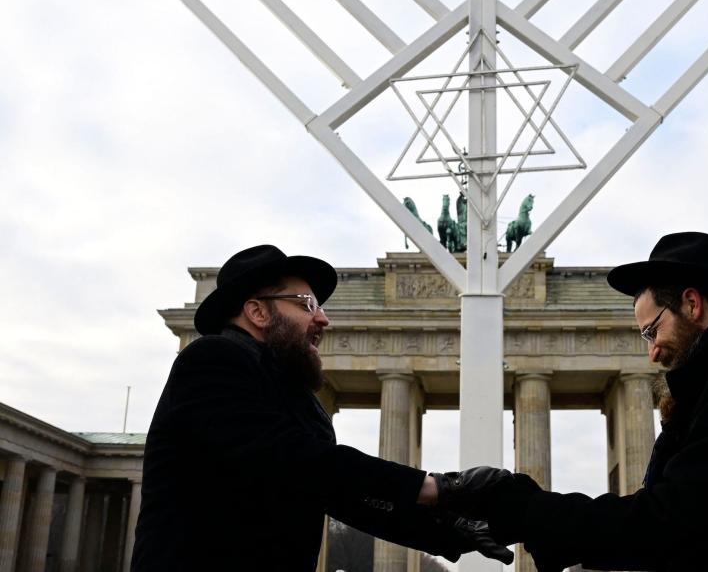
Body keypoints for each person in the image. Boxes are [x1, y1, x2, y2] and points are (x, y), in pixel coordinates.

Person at [431, 232, 708, 572]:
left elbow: (670, 523)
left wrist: (529, 510)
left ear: (692, 304)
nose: (652, 352)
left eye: (651, 331)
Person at [132, 244, 510, 572]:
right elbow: (296, 461)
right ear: (257, 312)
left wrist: (449, 527)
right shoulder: (213, 360)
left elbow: (343, 494)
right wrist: (437, 486)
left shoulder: (296, 398)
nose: (323, 317)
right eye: (307, 304)